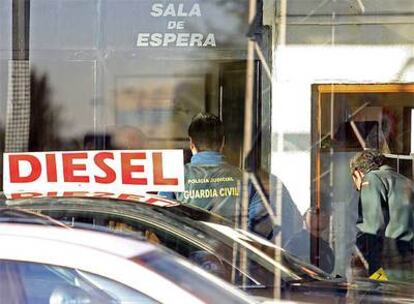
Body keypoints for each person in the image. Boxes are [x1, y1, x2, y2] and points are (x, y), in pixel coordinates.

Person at [159, 112, 260, 224]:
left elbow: (164, 220)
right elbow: (255, 225)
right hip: (231, 241)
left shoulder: (174, 177)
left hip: (189, 240)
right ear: (223, 142)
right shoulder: (245, 179)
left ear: (191, 143)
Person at [349, 150, 414, 281]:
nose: (356, 187)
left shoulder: (372, 178)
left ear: (357, 172)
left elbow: (371, 229)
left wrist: (371, 272)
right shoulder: (407, 182)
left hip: (390, 265)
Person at [284, 207, 335, 273]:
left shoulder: (326, 248)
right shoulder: (295, 244)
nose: (322, 215)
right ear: (304, 216)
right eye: (315, 212)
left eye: (325, 212)